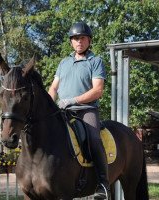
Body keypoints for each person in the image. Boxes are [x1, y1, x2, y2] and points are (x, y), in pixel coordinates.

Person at [48, 21, 109, 199]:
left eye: (82, 38)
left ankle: (103, 184)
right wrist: (51, 104)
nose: (79, 41)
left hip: (86, 110)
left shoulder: (95, 61)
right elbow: (53, 88)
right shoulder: (63, 63)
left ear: (89, 40)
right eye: (75, 38)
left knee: (93, 138)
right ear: (71, 42)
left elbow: (98, 90)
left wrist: (73, 100)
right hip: (62, 110)